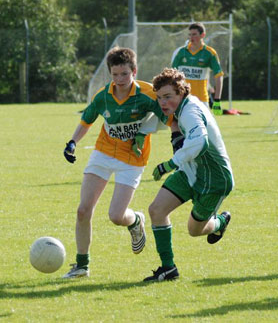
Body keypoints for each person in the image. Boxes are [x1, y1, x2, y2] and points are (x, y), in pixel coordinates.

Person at [62, 47, 172, 279]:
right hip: (103, 151)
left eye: (124, 74)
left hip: (133, 158)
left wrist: (167, 134)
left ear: (134, 71)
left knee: (116, 216)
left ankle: (135, 220)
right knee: (83, 210)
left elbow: (168, 117)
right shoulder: (103, 95)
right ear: (110, 74)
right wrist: (72, 142)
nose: (120, 80)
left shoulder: (148, 94)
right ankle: (82, 265)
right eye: (115, 75)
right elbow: (86, 121)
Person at [141, 68, 234, 282]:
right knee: (156, 210)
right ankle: (168, 268)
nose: (163, 103)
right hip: (191, 171)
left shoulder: (191, 110)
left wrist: (170, 164)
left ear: (181, 93)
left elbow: (200, 142)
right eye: (159, 98)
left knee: (194, 230)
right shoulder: (180, 109)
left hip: (215, 180)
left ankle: (220, 222)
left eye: (167, 97)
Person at [172, 22, 224, 116]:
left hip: (202, 99)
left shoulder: (209, 53)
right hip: (183, 99)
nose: (191, 37)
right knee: (182, 129)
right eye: (190, 34)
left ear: (202, 35)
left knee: (206, 129)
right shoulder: (181, 52)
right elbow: (171, 75)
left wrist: (217, 100)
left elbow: (219, 76)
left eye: (194, 34)